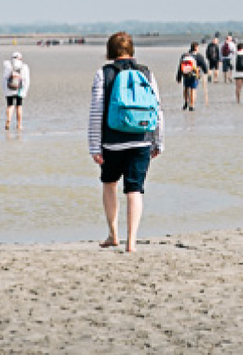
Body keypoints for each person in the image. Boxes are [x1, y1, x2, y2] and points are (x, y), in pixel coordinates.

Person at [87, 32, 163, 254]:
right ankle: (132, 242)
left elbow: (96, 111)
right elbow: (157, 109)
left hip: (112, 141)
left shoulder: (104, 74)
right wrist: (158, 141)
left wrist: (94, 145)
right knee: (135, 189)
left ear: (110, 51)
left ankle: (113, 235)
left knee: (109, 184)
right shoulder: (146, 73)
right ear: (132, 50)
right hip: (141, 139)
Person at [3, 52, 30, 130]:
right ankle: (19, 124)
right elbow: (26, 80)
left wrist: (5, 90)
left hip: (9, 89)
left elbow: (4, 79)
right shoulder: (24, 67)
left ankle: (8, 121)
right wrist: (25, 90)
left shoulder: (8, 66)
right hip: (19, 89)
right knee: (19, 106)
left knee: (10, 105)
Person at [175, 44, 203, 112]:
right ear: (196, 48)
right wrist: (203, 72)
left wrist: (178, 77)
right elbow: (204, 65)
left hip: (185, 75)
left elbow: (180, 66)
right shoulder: (198, 56)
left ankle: (186, 102)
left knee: (186, 88)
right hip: (194, 75)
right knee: (193, 90)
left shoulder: (184, 56)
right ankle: (192, 105)